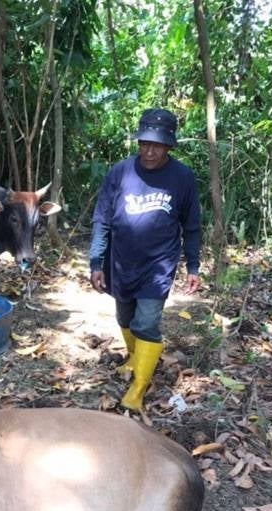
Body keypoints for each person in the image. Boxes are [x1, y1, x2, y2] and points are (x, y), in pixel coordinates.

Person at [88, 108, 202, 411]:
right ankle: (134, 359)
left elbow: (191, 225)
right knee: (124, 319)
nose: (149, 151)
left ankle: (138, 389)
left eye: (156, 145)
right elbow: (102, 219)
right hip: (122, 261)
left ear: (168, 146)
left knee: (146, 323)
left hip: (159, 265)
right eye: (144, 143)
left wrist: (193, 266)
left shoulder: (182, 178)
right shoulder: (120, 172)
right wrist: (96, 262)